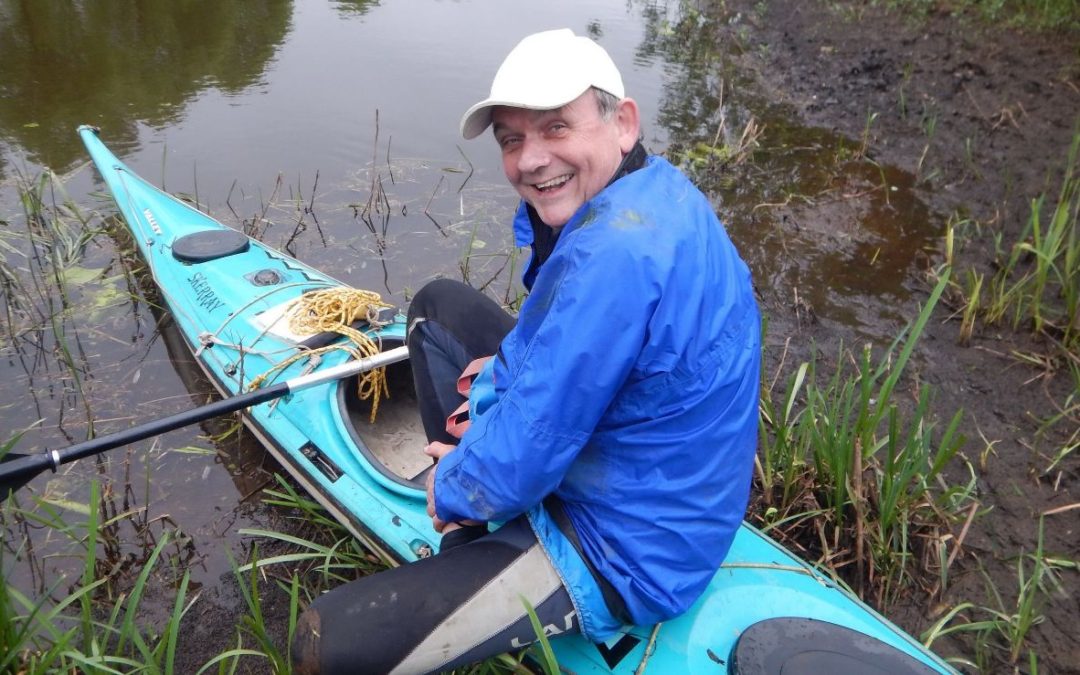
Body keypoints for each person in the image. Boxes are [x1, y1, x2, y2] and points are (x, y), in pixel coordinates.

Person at [291, 28, 760, 674]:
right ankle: (473, 545)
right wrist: (506, 378)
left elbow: (529, 447)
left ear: (621, 122)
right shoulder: (651, 192)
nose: (531, 160)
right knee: (435, 309)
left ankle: (463, 545)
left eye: (555, 128)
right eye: (512, 139)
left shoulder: (614, 255)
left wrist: (451, 483)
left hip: (627, 548)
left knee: (325, 643)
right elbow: (565, 341)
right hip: (648, 469)